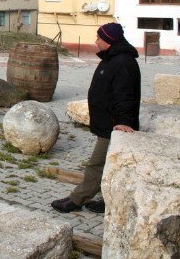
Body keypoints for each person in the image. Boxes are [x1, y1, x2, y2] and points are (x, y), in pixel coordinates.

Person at [51, 22, 140, 214]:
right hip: (106, 124)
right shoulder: (112, 58)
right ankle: (109, 200)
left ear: (108, 40)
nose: (96, 41)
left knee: (96, 164)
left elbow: (125, 95)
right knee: (110, 166)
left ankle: (77, 199)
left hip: (115, 126)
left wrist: (123, 121)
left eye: (99, 38)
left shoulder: (123, 62)